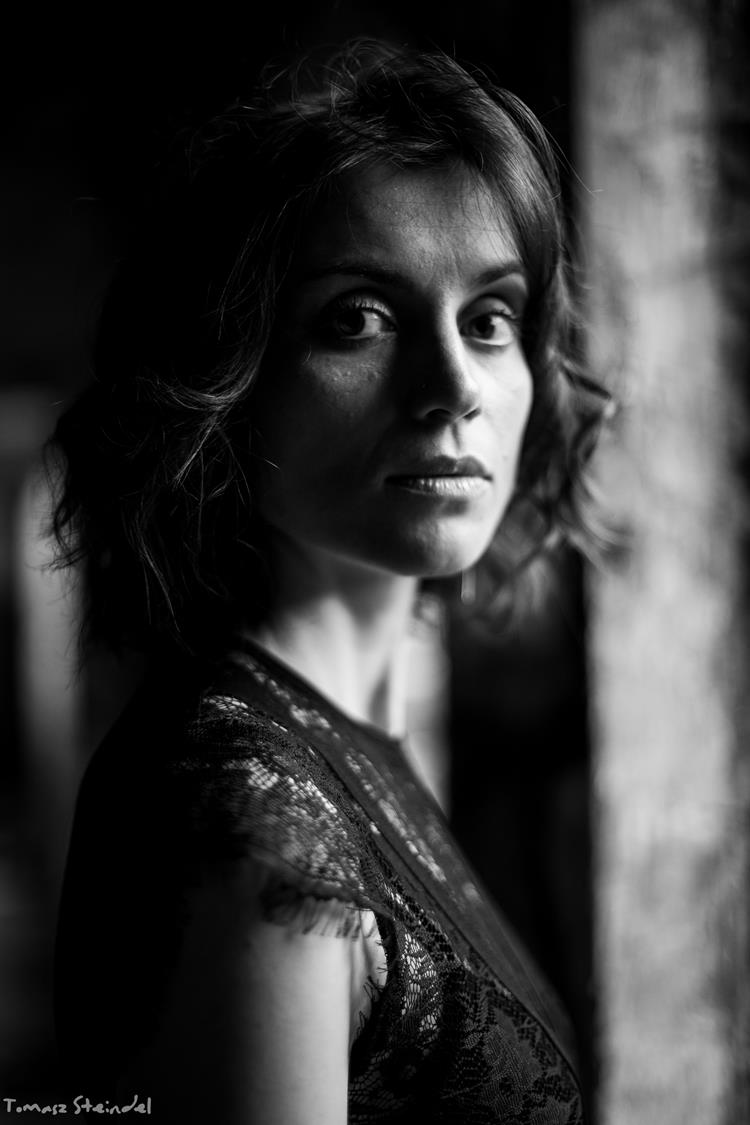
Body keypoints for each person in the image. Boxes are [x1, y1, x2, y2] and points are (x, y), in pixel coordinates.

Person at [49, 38, 606, 1124]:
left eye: (490, 319)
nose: (453, 386)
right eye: (358, 317)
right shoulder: (252, 825)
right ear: (225, 376)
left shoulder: (335, 736)